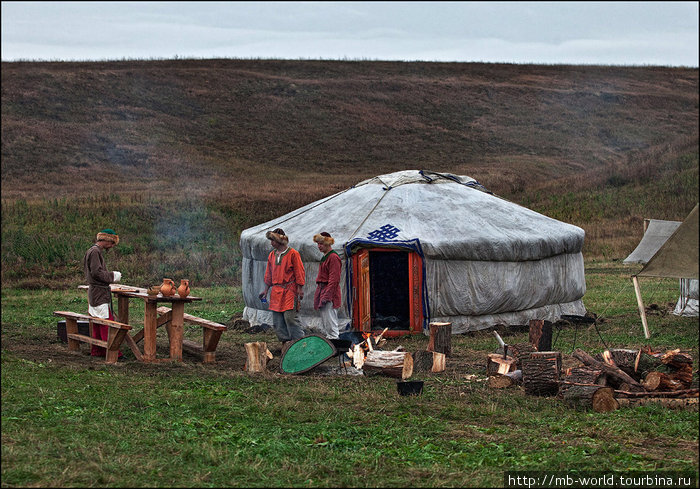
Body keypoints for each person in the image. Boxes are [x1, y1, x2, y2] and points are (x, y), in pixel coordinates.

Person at [259, 228, 306, 344]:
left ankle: (300, 343)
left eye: (273, 241)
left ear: (279, 241)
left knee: (290, 318)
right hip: (276, 291)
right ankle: (285, 343)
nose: (271, 243)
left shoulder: (293, 254)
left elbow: (299, 272)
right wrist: (265, 290)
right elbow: (268, 274)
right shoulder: (272, 255)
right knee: (278, 321)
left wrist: (300, 289)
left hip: (289, 290)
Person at [83, 228, 122, 358]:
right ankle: (111, 352)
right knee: (106, 323)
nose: (111, 246)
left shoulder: (94, 251)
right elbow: (96, 273)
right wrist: (113, 276)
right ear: (106, 240)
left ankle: (98, 350)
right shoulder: (95, 252)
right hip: (99, 293)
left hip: (96, 292)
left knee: (98, 322)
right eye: (111, 243)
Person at [313, 232, 342, 340]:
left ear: (328, 243)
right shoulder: (325, 257)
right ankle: (330, 344)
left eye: (321, 244)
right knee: (326, 320)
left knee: (330, 322)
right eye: (318, 244)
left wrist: (327, 295)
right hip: (322, 290)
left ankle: (334, 344)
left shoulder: (333, 257)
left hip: (330, 291)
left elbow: (334, 280)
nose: (319, 246)